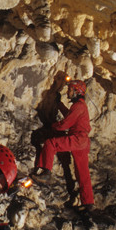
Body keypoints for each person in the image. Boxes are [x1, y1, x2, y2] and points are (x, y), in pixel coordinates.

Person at [32, 79, 94, 212]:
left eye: (70, 89)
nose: (68, 92)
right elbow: (70, 116)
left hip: (77, 138)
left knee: (51, 143)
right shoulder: (80, 106)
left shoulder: (78, 106)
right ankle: (88, 202)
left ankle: (46, 172)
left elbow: (65, 124)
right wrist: (59, 104)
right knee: (82, 172)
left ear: (77, 92)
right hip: (83, 141)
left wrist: (52, 126)